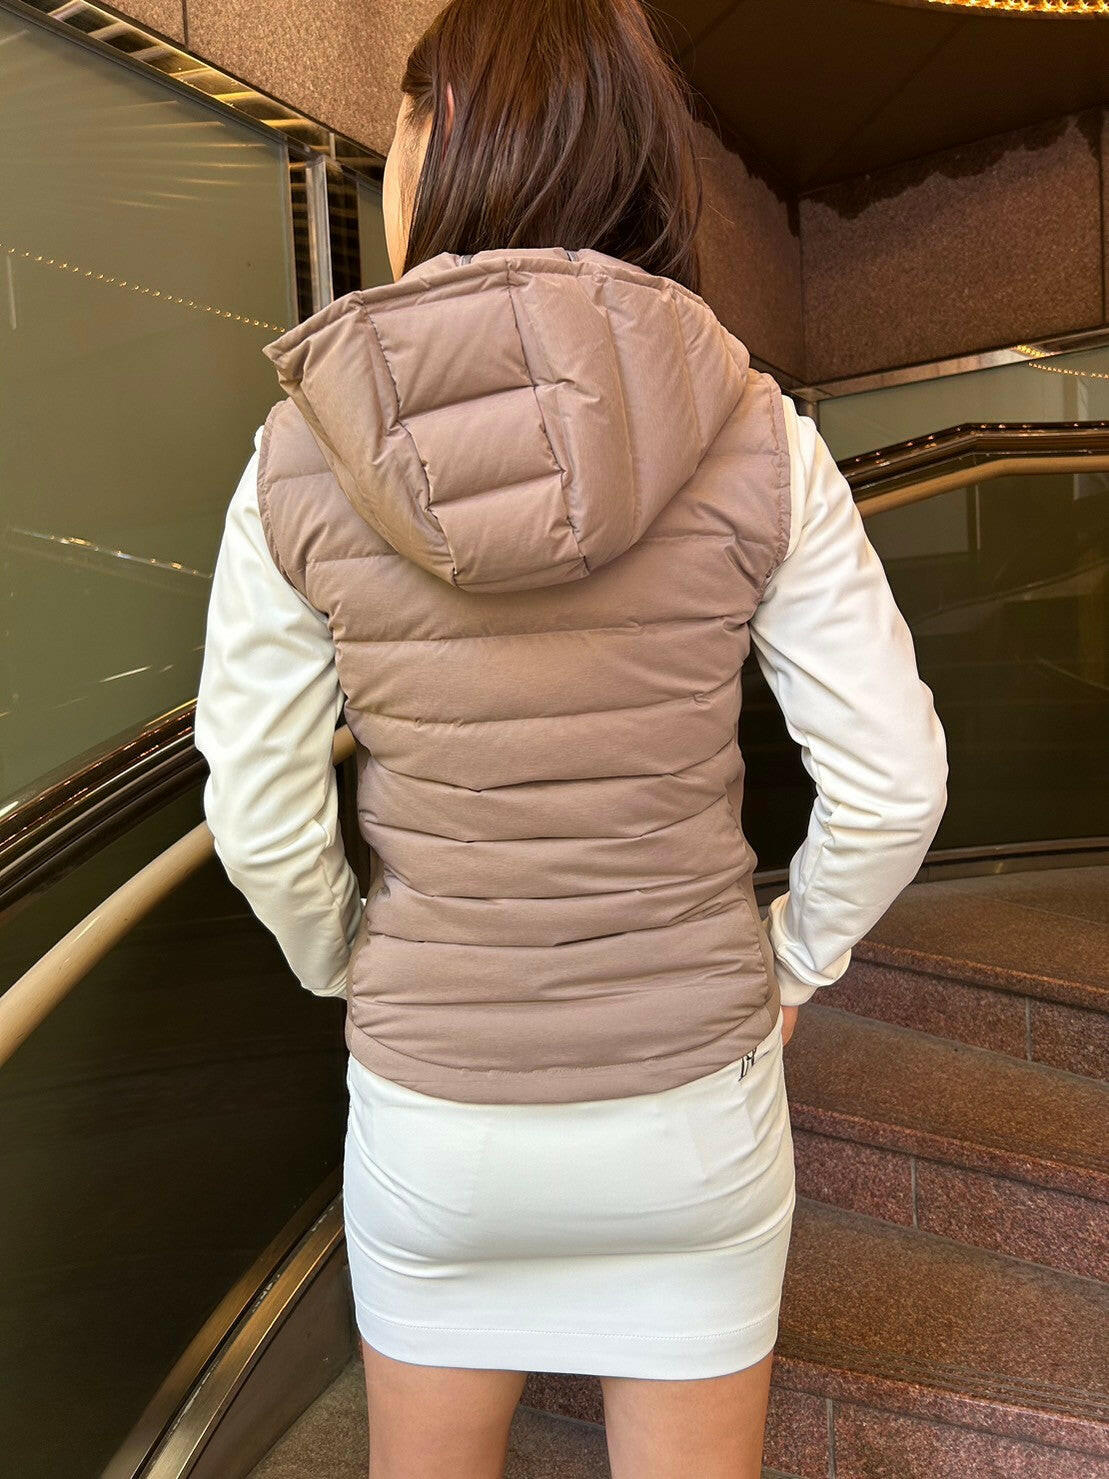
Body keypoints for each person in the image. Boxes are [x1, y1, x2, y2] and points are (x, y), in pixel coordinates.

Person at [193, 1, 949, 1474]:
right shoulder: (753, 425)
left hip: (438, 1110)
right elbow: (894, 782)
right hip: (688, 1105)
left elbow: (262, 812)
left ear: (437, 144)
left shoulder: (299, 450)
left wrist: (356, 967)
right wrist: (796, 962)